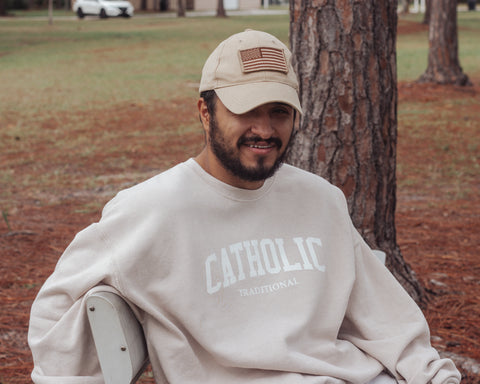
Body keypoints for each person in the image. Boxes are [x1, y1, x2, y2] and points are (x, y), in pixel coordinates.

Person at [28, 29, 461, 384]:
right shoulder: (149, 211)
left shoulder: (320, 199)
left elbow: (386, 317)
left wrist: (433, 376)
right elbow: (53, 312)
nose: (265, 129)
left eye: (279, 111)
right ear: (205, 111)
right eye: (246, 110)